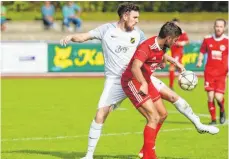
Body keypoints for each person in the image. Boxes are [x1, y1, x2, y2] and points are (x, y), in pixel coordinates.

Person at [60, 3, 219, 158]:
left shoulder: (138, 33)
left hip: (141, 75)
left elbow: (153, 50)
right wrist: (71, 37)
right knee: (101, 114)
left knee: (168, 104)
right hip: (117, 80)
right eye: (135, 17)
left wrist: (173, 61)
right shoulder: (107, 30)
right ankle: (89, 155)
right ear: (125, 15)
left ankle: (154, 146)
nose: (137, 20)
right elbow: (84, 36)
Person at [121, 22, 219, 159]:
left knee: (162, 114)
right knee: (153, 117)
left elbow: (161, 55)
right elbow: (135, 67)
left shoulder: (162, 46)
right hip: (133, 81)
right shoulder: (146, 46)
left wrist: (175, 62)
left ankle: (146, 150)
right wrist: (143, 83)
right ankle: (149, 156)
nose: (176, 42)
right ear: (168, 38)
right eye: (175, 39)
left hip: (146, 80)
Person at [196, 18, 228, 125]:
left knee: (218, 97)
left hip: (222, 73)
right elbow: (202, 51)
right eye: (217, 26)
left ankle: (222, 110)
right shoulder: (207, 39)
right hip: (209, 72)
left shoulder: (227, 41)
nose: (218, 28)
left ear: (224, 28)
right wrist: (200, 61)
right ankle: (213, 119)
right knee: (210, 96)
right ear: (214, 27)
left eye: (221, 26)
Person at [169, 18, 189, 90]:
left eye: (176, 24)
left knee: (172, 67)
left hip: (178, 52)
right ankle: (186, 82)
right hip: (173, 52)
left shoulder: (182, 32)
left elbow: (187, 41)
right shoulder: (170, 33)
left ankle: (171, 86)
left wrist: (181, 43)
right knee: (181, 68)